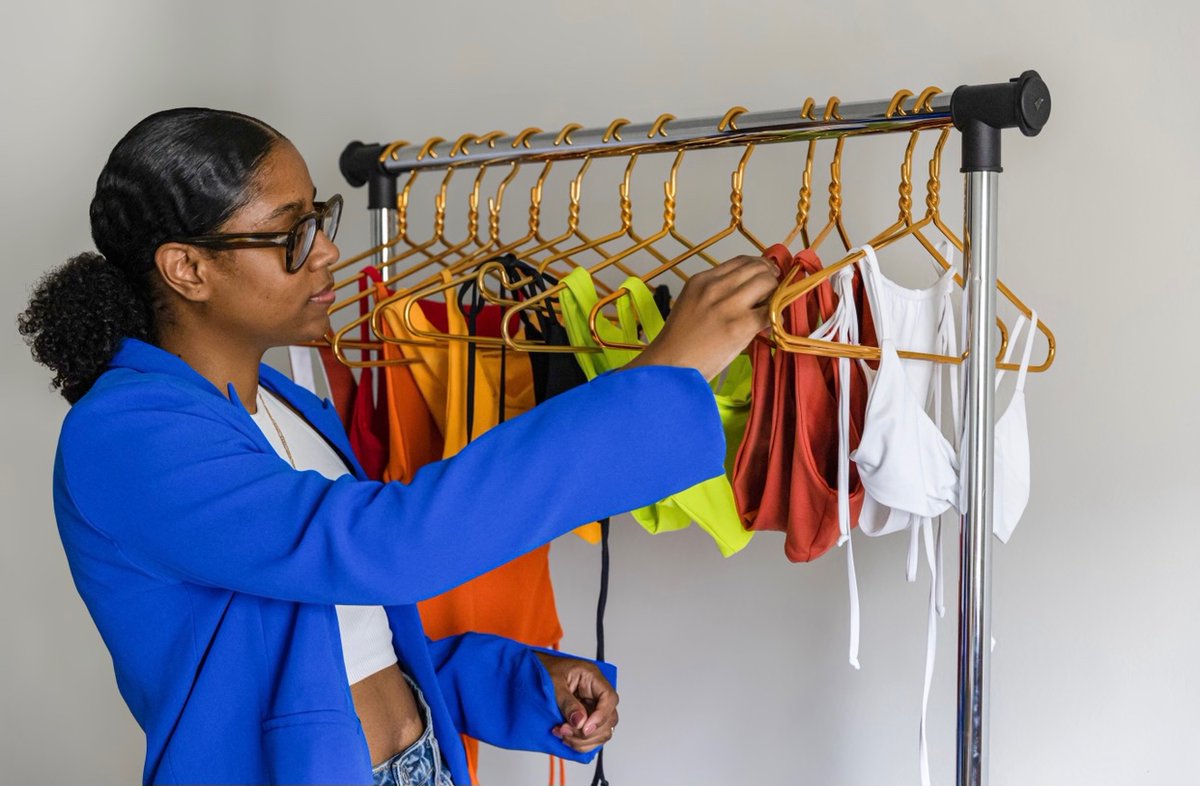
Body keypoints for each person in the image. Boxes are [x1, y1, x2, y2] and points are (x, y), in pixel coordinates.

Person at [17, 108, 779, 786]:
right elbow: (383, 545)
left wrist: (517, 681)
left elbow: (345, 639)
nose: (326, 252)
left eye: (321, 218)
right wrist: (656, 380)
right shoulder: (126, 434)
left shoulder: (285, 405)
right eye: (293, 233)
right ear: (187, 268)